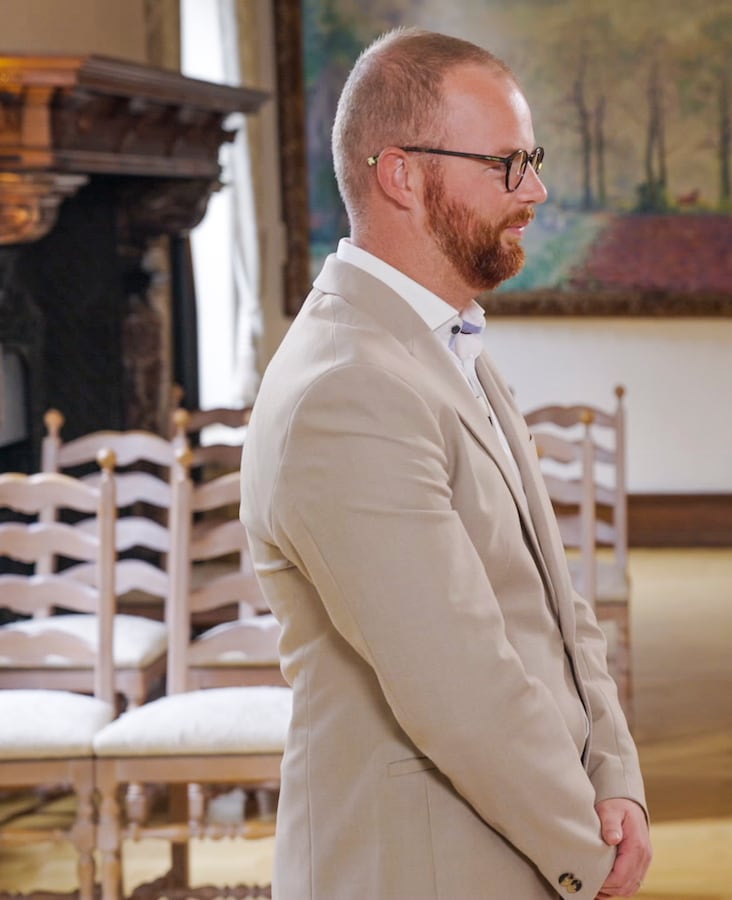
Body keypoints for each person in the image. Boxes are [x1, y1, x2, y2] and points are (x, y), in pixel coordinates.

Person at [241, 28, 649, 900]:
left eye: (531, 159)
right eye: (506, 163)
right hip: (420, 867)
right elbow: (456, 685)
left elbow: (552, 602)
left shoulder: (444, 343)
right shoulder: (344, 389)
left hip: (509, 846)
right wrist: (586, 845)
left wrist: (616, 777)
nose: (534, 189)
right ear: (401, 174)